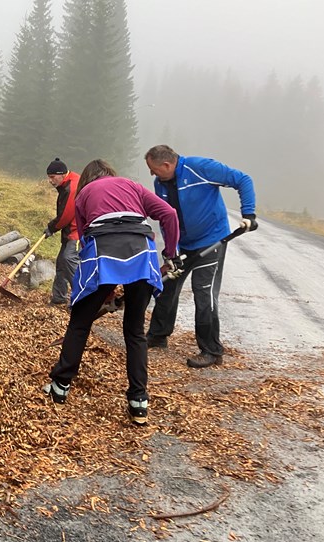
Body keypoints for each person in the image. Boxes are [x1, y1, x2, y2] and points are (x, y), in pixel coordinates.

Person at [45, 159, 180, 426]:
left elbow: (85, 241)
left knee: (80, 324)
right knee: (135, 330)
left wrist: (100, 294)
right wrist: (170, 253)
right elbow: (170, 215)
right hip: (142, 254)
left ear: (88, 178)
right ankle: (138, 402)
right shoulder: (133, 186)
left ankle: (60, 386)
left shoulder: (83, 194)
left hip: (102, 251)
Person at [144, 144, 257, 368]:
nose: (152, 173)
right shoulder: (161, 183)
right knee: (167, 286)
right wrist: (171, 250)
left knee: (203, 292)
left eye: (153, 168)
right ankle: (158, 335)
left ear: (167, 164)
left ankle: (212, 350)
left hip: (212, 241)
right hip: (183, 244)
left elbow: (243, 179)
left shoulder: (200, 168)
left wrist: (249, 214)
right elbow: (167, 219)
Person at [44, 157, 80, 305]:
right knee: (61, 263)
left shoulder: (72, 187)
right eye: (49, 177)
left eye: (52, 177)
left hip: (78, 231)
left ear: (62, 173)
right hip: (69, 230)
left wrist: (52, 227)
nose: (51, 181)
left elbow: (66, 214)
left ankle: (82, 298)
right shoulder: (67, 183)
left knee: (69, 259)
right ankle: (59, 298)